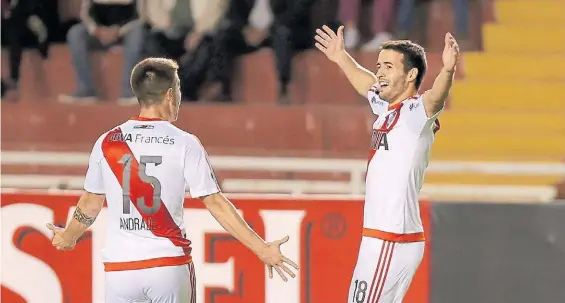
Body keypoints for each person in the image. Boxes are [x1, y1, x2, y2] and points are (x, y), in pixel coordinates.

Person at [46, 58, 299, 303]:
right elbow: (215, 202)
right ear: (169, 94)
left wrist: (69, 236)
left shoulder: (107, 141)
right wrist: (261, 249)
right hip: (167, 264)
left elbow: (91, 202)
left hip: (119, 270)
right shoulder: (184, 142)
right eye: (178, 89)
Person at [315, 25, 459, 302]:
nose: (380, 71)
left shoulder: (416, 113)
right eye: (379, 65)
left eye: (388, 66)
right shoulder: (385, 107)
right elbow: (364, 81)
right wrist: (341, 56)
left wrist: (448, 71)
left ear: (411, 75)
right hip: (380, 238)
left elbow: (435, 98)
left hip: (392, 238)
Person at [59, 0, 145, 105]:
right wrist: (96, 30)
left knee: (138, 32)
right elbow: (85, 14)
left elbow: (140, 17)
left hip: (124, 33)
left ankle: (128, 92)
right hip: (98, 33)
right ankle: (86, 90)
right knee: (75, 32)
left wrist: (118, 31)